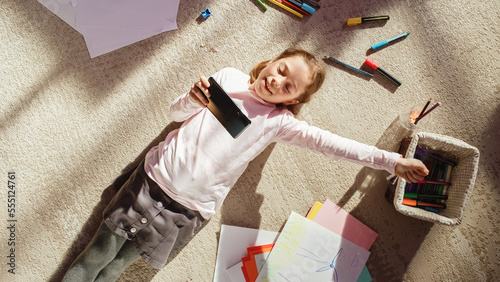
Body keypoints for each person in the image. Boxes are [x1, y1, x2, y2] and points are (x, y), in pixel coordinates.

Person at [62, 48, 428, 281]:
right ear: (270, 60)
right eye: (281, 69)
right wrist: (191, 100)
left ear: (293, 103)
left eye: (288, 87)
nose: (276, 80)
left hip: (189, 210)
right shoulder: (229, 78)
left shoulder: (278, 123)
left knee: (114, 271)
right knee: (91, 261)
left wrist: (391, 161)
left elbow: (331, 144)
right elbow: (176, 113)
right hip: (152, 181)